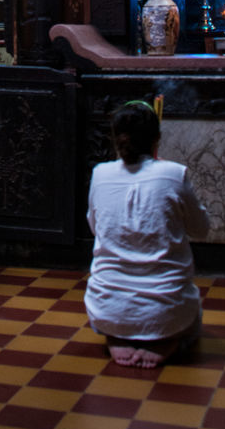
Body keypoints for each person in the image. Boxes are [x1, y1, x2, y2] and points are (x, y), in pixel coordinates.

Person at [85, 100, 210, 367]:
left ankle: (117, 335)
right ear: (157, 139)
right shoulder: (174, 173)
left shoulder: (100, 174)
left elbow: (95, 229)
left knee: (116, 309)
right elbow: (202, 229)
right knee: (194, 314)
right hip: (167, 309)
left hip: (106, 306)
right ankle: (166, 339)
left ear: (116, 139)